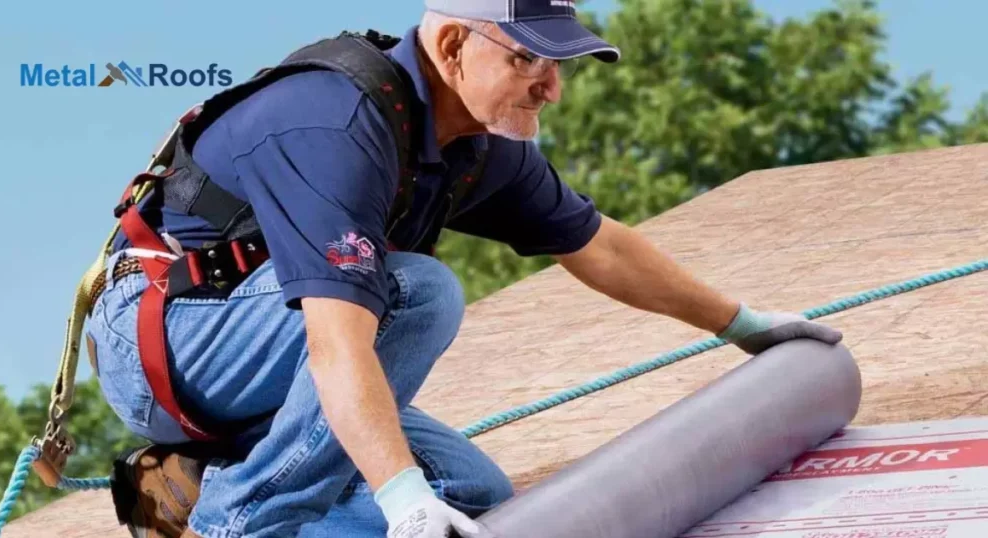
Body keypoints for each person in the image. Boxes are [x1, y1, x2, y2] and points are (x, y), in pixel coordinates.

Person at [86, 1, 843, 537]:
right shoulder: (337, 123)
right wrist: (400, 496)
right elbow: (338, 342)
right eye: (528, 60)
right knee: (419, 294)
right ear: (451, 47)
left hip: (268, 346)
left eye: (559, 64)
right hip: (168, 340)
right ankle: (234, 525)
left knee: (474, 499)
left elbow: (601, 246)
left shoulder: (479, 145)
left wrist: (742, 325)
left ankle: (188, 494)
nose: (551, 86)